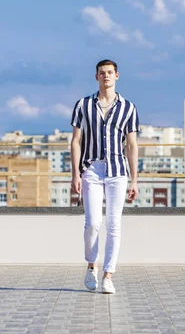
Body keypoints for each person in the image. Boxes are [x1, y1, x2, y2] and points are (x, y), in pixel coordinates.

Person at [70, 59, 139, 294]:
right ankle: (91, 266)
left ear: (117, 76)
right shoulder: (83, 105)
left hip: (118, 171)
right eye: (102, 73)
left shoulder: (128, 108)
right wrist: (75, 174)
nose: (106, 76)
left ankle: (108, 275)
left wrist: (135, 179)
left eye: (110, 73)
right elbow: (76, 141)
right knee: (92, 223)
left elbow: (131, 145)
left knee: (114, 224)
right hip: (91, 169)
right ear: (96, 77)